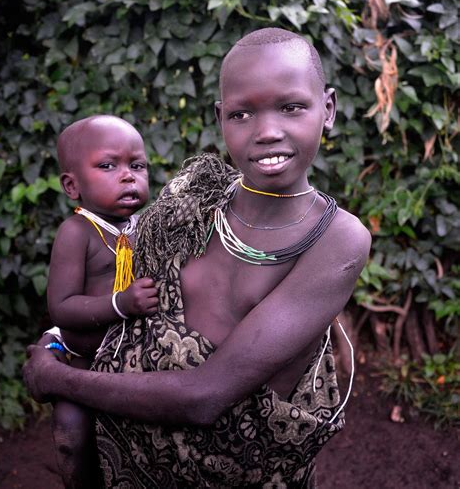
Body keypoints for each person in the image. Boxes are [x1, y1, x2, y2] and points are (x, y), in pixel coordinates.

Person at [23, 28, 371, 488]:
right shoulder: (196, 197)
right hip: (125, 459)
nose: (267, 132)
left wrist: (57, 380)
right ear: (220, 116)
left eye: (291, 107)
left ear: (327, 110)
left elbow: (207, 395)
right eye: (242, 113)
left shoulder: (337, 239)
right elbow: (117, 290)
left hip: (233, 471)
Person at [45, 114, 158, 488]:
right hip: (82, 364)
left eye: (137, 165)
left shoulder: (147, 227)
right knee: (72, 433)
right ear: (72, 185)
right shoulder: (77, 233)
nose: (128, 176)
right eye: (108, 166)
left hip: (137, 363)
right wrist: (120, 304)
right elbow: (61, 307)